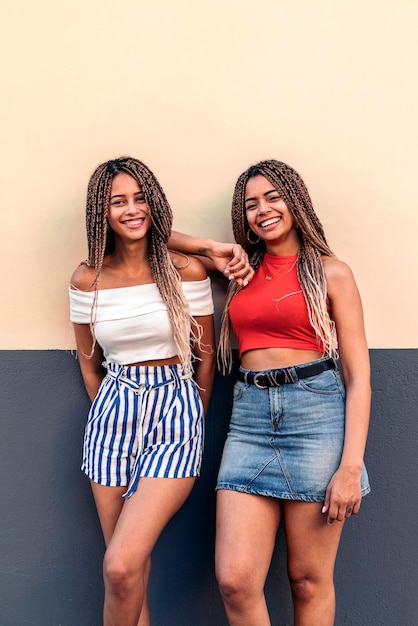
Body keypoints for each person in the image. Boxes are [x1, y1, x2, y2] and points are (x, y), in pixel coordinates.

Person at [172, 159, 371, 625]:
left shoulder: (331, 273)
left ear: (296, 201)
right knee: (236, 581)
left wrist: (350, 466)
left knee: (308, 579)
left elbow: (359, 377)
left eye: (273, 197)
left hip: (316, 419)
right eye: (250, 205)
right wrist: (213, 248)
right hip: (249, 422)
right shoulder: (240, 271)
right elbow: (152, 235)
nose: (262, 210)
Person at [69, 156, 249, 626]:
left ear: (154, 204)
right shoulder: (86, 279)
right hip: (112, 413)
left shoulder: (184, 270)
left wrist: (192, 409)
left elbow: (206, 358)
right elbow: (91, 365)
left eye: (140, 197)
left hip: (175, 407)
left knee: (120, 562)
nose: (131, 209)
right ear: (100, 212)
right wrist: (111, 407)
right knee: (129, 575)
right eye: (117, 201)